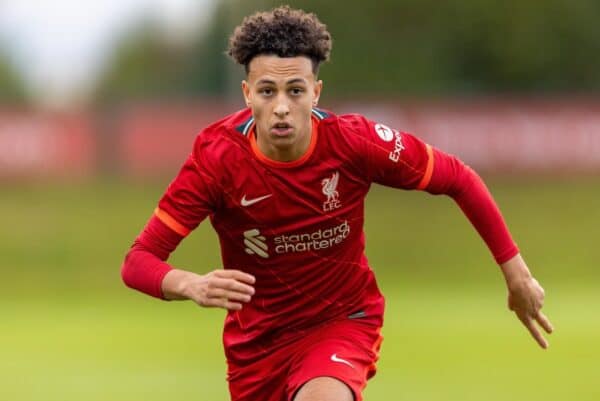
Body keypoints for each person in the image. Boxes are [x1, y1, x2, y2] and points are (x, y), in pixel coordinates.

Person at [121, 6, 553, 401]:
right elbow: (139, 261)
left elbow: (457, 177)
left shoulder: (354, 143)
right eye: (268, 92)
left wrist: (516, 274)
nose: (282, 108)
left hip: (343, 321)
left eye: (295, 90)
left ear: (316, 92)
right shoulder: (217, 159)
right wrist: (190, 284)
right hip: (257, 348)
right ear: (247, 94)